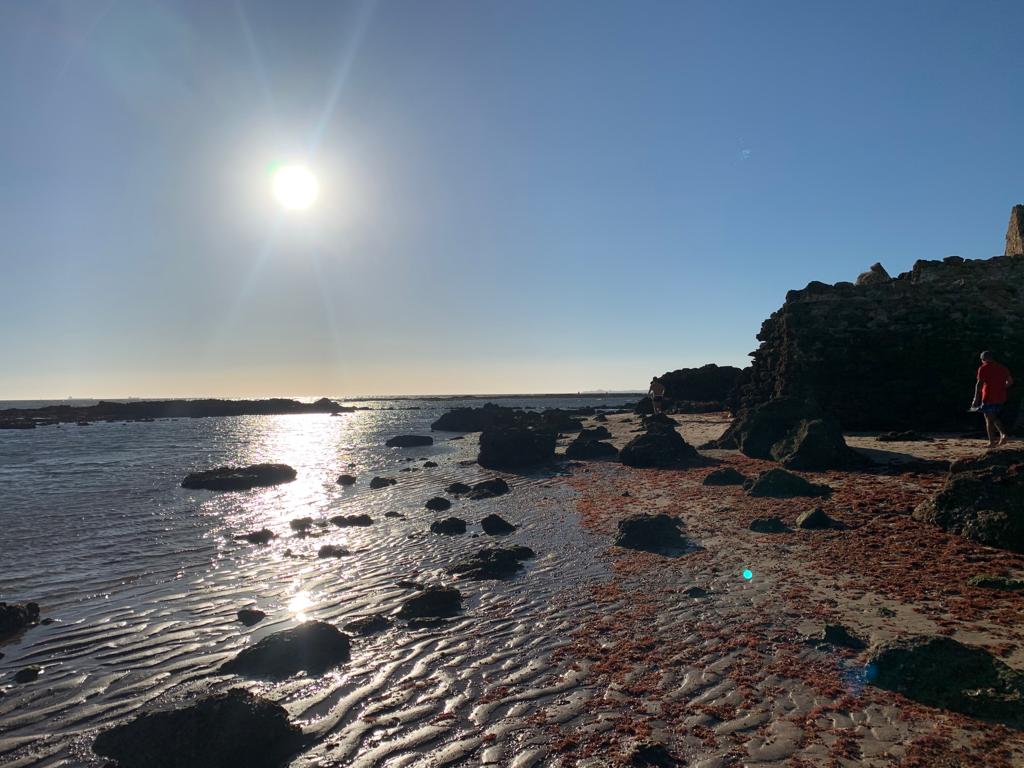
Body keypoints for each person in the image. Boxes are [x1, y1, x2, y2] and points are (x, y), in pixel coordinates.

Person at [972, 350, 1013, 447]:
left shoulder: (983, 368)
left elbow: (979, 384)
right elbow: (1010, 381)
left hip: (989, 396)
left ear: (984, 359)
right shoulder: (1002, 368)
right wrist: (1002, 388)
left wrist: (975, 399)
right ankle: (1003, 435)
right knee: (994, 417)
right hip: (1001, 397)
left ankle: (992, 442)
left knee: (988, 419)